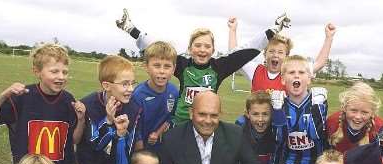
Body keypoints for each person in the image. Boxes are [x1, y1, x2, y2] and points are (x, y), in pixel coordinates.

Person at [116, 9, 282, 124]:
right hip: (180, 122)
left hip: (206, 124)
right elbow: (156, 46)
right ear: (190, 48)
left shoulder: (219, 67)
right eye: (198, 45)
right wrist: (131, 29)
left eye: (207, 46)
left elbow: (246, 50)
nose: (202, 50)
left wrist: (272, 31)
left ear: (213, 50)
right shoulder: (182, 63)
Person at [0, 43, 85, 164]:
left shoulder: (68, 100)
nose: (61, 77)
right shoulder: (23, 97)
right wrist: (4, 95)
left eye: (65, 72)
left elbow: (74, 139)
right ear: (37, 71)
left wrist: (81, 119)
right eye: (54, 71)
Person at [227, 17, 336, 92]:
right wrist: (232, 30)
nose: (275, 55)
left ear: (286, 56)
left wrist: (329, 37)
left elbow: (319, 63)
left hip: (282, 125)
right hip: (257, 123)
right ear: (265, 54)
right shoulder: (255, 70)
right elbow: (234, 58)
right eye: (271, 51)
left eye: (280, 52)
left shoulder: (292, 73)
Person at [131, 41, 179, 151]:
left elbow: (171, 117)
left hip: (160, 147)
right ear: (146, 67)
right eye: (157, 65)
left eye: (167, 66)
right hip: (138, 147)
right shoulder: (138, 95)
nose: (162, 71)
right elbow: (134, 124)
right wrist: (139, 145)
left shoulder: (174, 92)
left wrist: (158, 133)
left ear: (173, 69)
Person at [327, 81, 383, 152]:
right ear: (344, 108)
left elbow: (381, 159)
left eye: (364, 112)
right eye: (353, 110)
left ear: (372, 112)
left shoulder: (379, 127)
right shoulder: (332, 121)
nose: (358, 117)